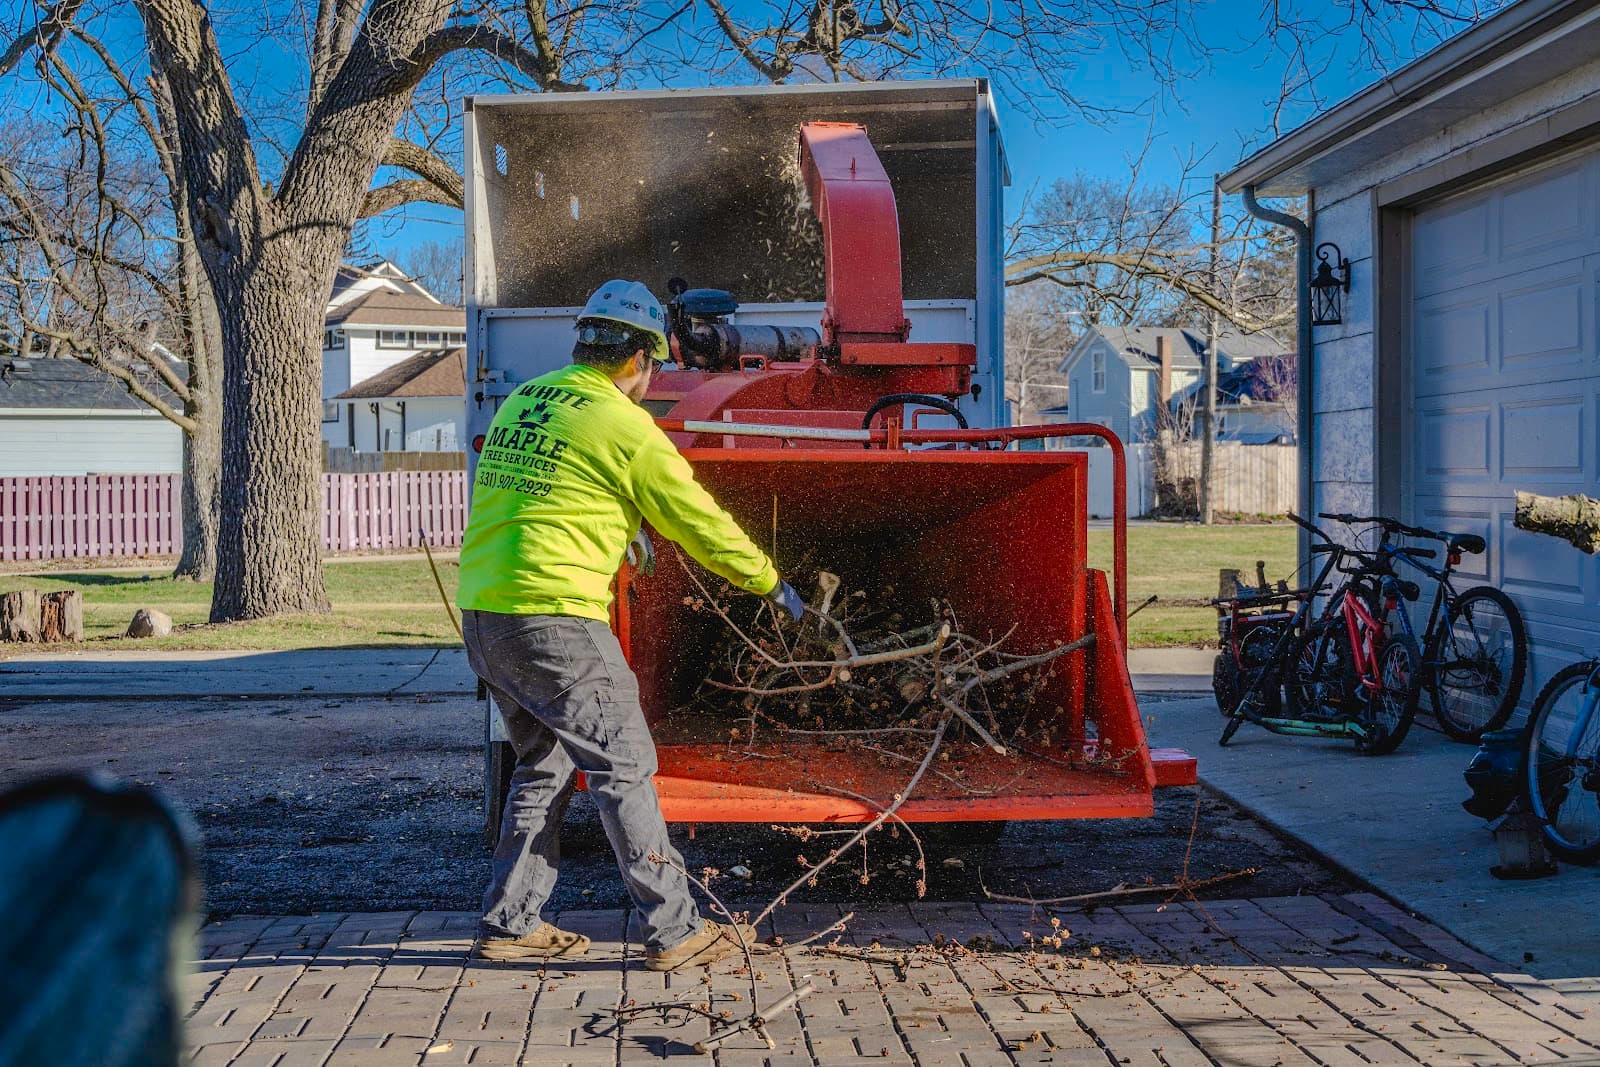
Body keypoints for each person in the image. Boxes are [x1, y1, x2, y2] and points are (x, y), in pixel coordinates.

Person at [456, 279, 806, 971]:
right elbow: (698, 521)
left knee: (546, 762)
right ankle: (675, 929)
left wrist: (620, 534)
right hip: (553, 615)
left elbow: (543, 493)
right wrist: (770, 582)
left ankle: (510, 920)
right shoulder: (624, 425)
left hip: (485, 615)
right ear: (641, 360)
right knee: (624, 761)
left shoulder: (529, 398)